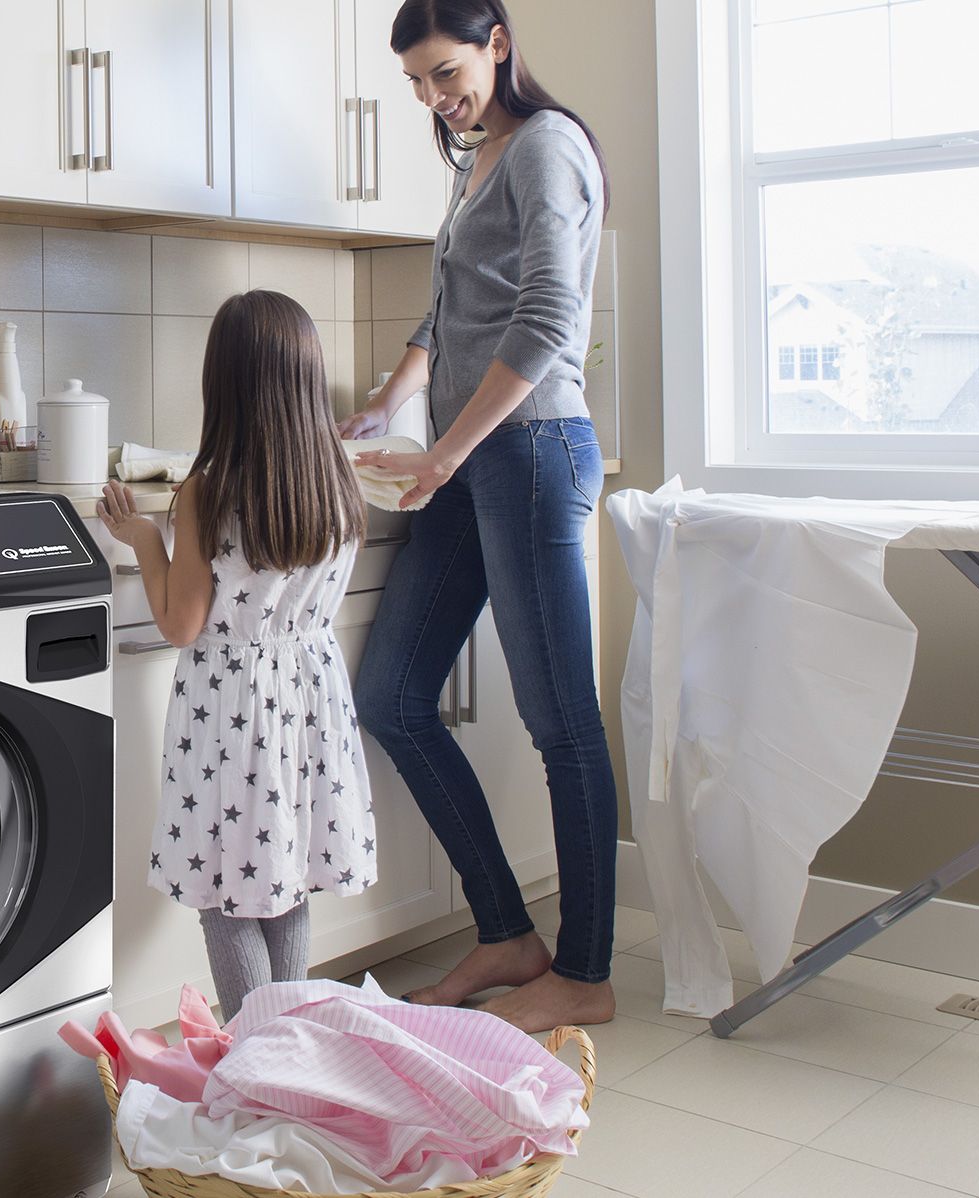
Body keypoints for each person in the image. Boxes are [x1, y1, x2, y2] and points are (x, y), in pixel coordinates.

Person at [340, 0, 616, 1031]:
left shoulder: (546, 147)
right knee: (395, 695)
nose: (434, 97)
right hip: (464, 459)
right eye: (416, 82)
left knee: (562, 727)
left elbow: (549, 316)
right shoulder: (480, 156)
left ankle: (583, 972)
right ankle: (506, 933)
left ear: (498, 44)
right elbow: (449, 309)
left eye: (446, 72)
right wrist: (393, 399)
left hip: (528, 450)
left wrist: (446, 449)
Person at [99, 290, 376, 1021]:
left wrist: (146, 544)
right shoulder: (338, 483)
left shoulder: (209, 491)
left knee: (226, 894)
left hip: (231, 715)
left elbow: (181, 623)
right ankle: (293, 1051)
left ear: (223, 384)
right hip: (308, 702)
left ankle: (262, 1064)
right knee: (283, 886)